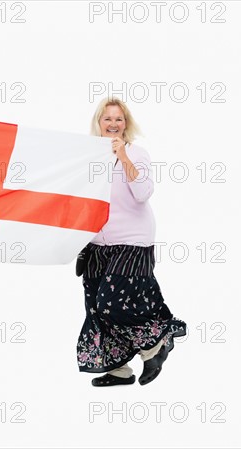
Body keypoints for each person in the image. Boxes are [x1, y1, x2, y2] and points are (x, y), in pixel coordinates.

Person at [75, 97, 186, 386]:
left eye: (119, 119)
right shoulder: (88, 157)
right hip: (98, 241)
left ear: (126, 124)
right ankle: (119, 369)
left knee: (112, 302)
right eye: (107, 119)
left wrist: (123, 157)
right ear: (98, 123)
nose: (113, 124)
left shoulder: (138, 153)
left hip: (133, 239)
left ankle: (155, 346)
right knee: (96, 306)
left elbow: (143, 193)